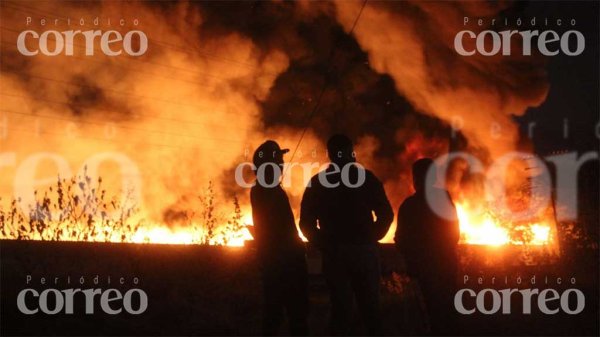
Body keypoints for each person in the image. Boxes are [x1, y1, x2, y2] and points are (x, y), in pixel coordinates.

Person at [300, 134, 393, 336]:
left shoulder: (318, 182)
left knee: (341, 309)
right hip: (362, 252)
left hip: (336, 254)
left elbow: (306, 223)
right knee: (370, 309)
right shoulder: (366, 179)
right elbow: (386, 213)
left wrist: (324, 244)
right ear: (352, 153)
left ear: (330, 155)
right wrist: (373, 236)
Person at [394, 158, 460, 336]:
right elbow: (455, 234)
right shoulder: (444, 199)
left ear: (415, 179)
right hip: (446, 266)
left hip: (423, 269)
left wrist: (412, 259)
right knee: (449, 311)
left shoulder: (409, 206)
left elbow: (400, 239)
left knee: (429, 312)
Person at [250, 140, 309, 336]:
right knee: (291, 313)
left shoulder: (264, 190)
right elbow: (278, 230)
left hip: (277, 260)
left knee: (276, 313)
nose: (282, 164)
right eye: (278, 160)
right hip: (284, 261)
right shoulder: (267, 191)